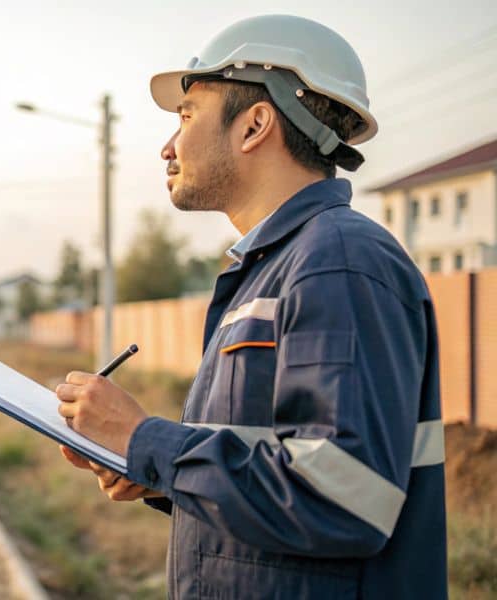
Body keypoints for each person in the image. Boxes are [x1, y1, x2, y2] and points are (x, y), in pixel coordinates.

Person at [55, 15, 447, 599]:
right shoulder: (274, 268)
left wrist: (148, 439)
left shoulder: (338, 262)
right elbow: (280, 482)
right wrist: (158, 475)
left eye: (187, 117)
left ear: (255, 124)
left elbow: (343, 500)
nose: (168, 146)